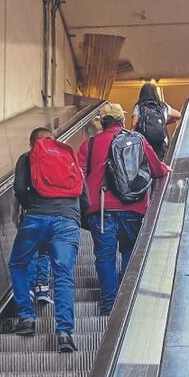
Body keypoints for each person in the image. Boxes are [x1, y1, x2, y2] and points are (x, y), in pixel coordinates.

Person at [79, 102, 170, 315]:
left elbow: (78, 175)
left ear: (102, 123)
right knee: (130, 251)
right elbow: (157, 169)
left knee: (105, 257)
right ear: (121, 120)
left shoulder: (89, 145)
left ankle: (109, 304)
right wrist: (165, 168)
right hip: (133, 207)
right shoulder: (137, 140)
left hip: (101, 209)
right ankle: (125, 301)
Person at [7, 126, 88, 352]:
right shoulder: (68, 157)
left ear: (32, 143)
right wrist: (74, 216)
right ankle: (64, 333)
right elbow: (85, 197)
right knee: (63, 275)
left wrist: (32, 207)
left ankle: (27, 318)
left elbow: (20, 188)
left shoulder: (27, 157)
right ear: (55, 140)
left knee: (18, 264)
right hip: (67, 221)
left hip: (36, 218)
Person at [132, 82, 181, 160]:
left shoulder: (139, 106)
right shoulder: (163, 106)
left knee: (147, 162)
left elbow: (134, 124)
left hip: (145, 142)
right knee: (161, 161)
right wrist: (164, 123)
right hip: (161, 141)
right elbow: (178, 115)